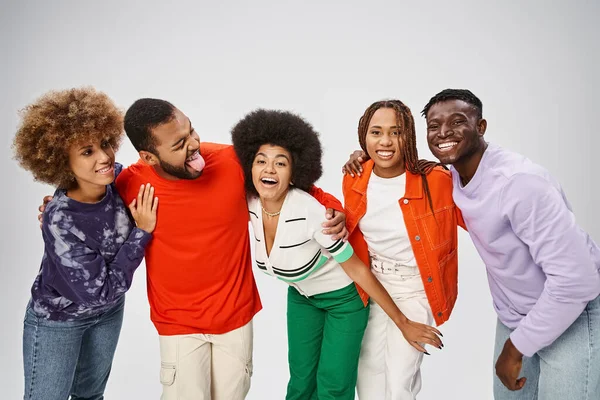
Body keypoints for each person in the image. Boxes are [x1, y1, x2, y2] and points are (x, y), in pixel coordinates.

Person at [41, 98, 348, 400]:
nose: (194, 144)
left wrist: (335, 210)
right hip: (178, 325)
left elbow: (295, 188)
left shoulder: (232, 162)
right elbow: (91, 199)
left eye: (191, 131)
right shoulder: (130, 183)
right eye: (178, 145)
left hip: (235, 318)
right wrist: (56, 206)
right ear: (149, 157)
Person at [345, 89, 600, 399]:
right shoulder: (450, 178)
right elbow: (412, 178)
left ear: (481, 127)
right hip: (514, 316)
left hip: (570, 312)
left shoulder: (521, 184)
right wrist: (363, 158)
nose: (444, 133)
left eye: (457, 122)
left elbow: (577, 281)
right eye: (435, 125)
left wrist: (516, 346)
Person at [231, 109, 443, 400]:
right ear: (248, 167)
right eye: (261, 162)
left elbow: (357, 270)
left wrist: (403, 322)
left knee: (333, 384)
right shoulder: (250, 203)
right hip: (303, 297)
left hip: (345, 301)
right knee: (301, 381)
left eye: (280, 163)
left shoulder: (311, 213)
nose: (269, 170)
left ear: (295, 172)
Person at [15, 87, 157, 400]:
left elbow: (156, 177)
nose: (105, 156)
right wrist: (141, 233)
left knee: (90, 397)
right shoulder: (60, 217)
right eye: (87, 151)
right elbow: (98, 291)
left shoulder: (117, 182)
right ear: (62, 162)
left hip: (107, 314)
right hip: (58, 321)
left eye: (105, 144)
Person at [341, 99, 464, 400]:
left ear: (409, 136)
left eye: (396, 132)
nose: (385, 141)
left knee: (399, 385)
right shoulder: (354, 178)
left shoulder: (435, 180)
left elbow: (477, 213)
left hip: (416, 288)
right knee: (367, 381)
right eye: (376, 132)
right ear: (364, 136)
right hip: (372, 288)